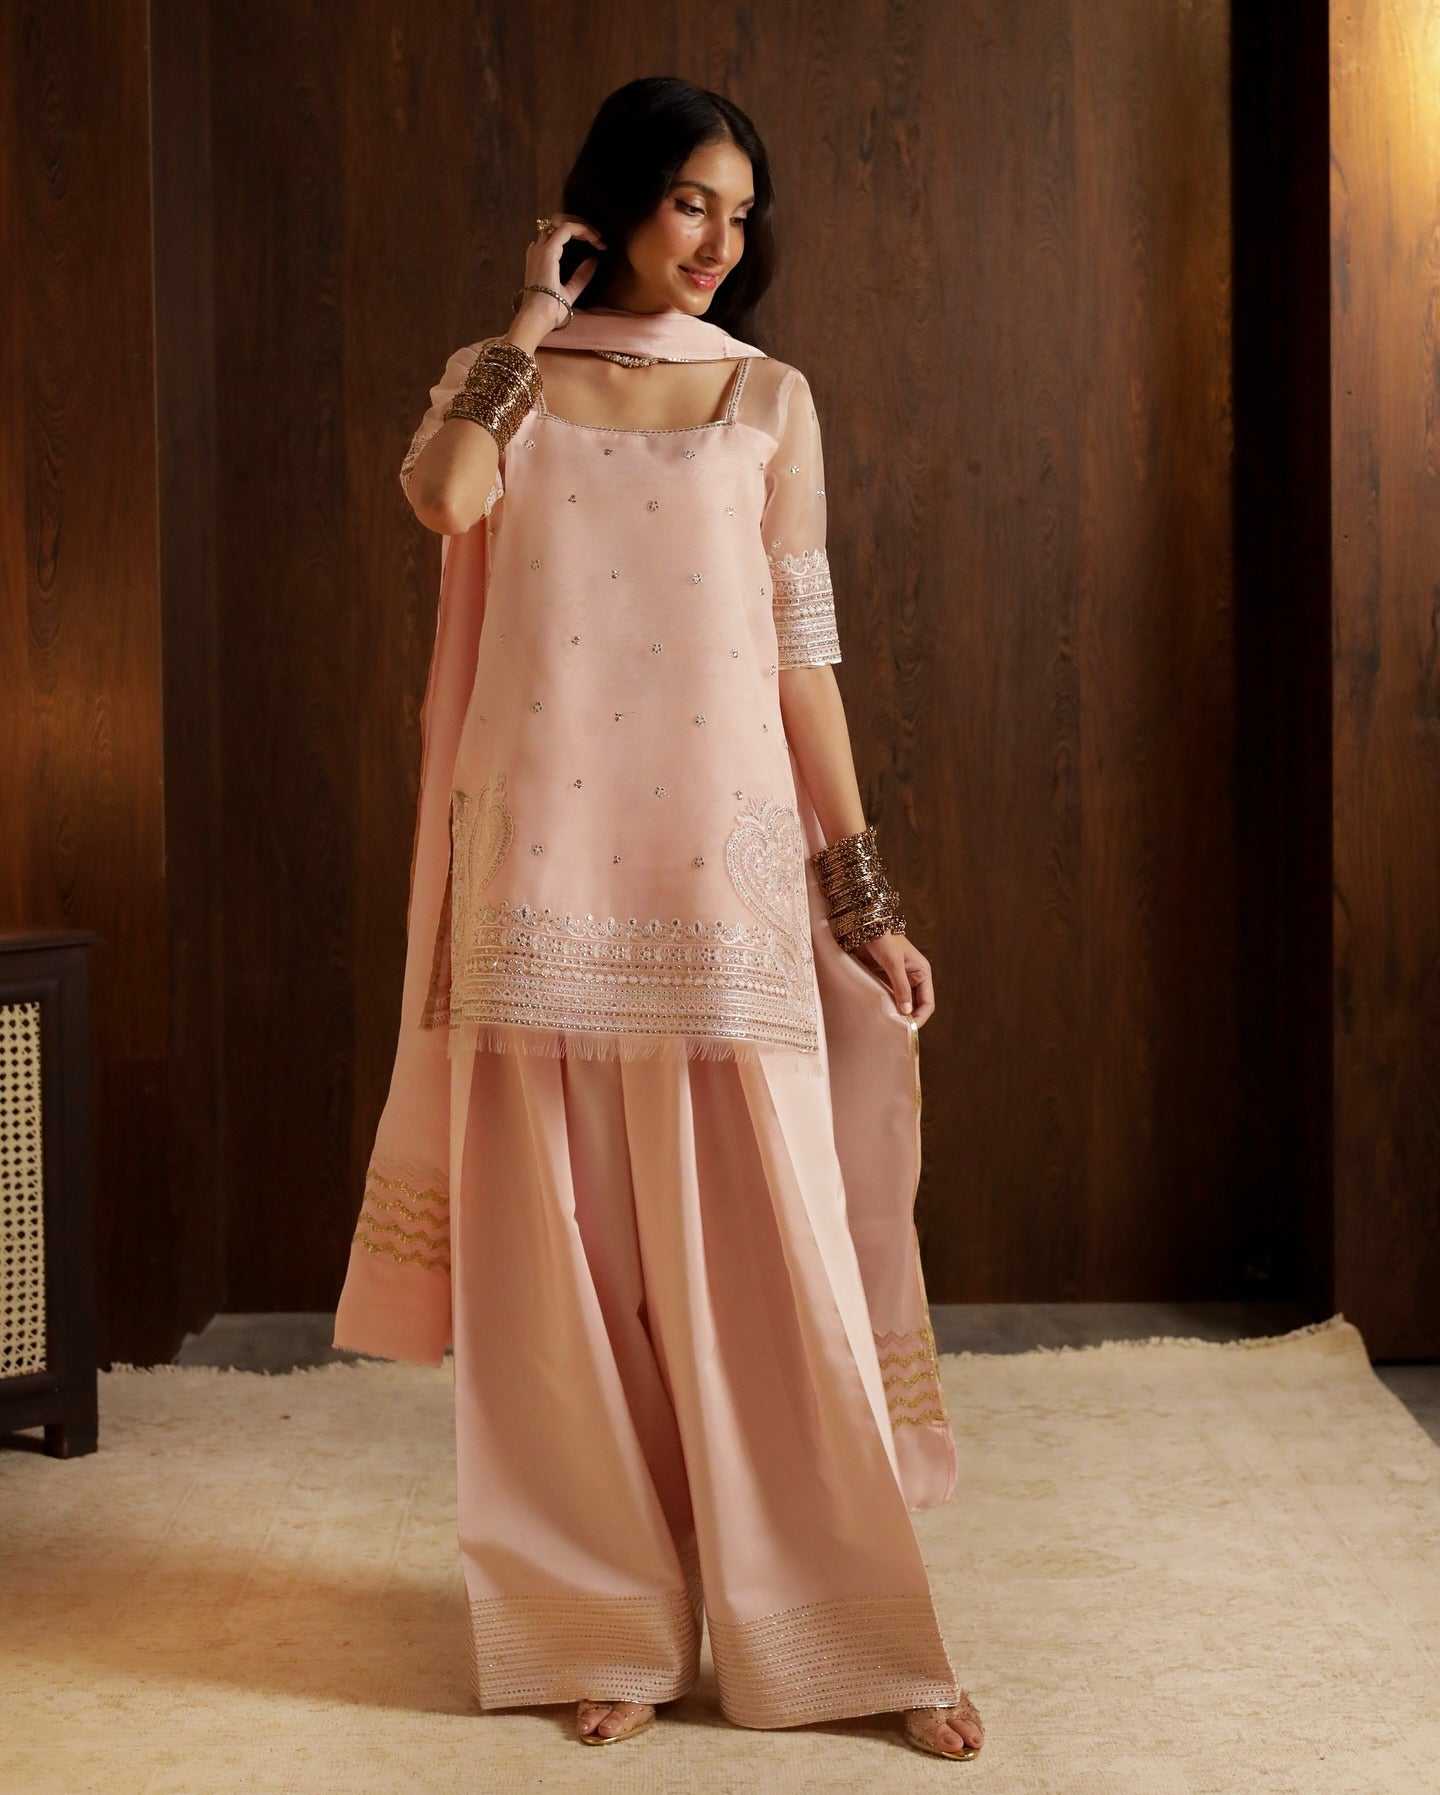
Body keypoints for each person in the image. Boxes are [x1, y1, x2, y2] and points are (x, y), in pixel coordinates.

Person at [332, 76, 985, 1763]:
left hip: (723, 876)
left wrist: (861, 889)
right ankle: (593, 1623)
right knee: (560, 1285)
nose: (722, 241)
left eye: (742, 213)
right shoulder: (512, 388)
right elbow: (443, 498)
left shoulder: (771, 397)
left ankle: (850, 1641)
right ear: (615, 198)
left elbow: (800, 657)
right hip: (536, 870)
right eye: (694, 201)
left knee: (775, 1282)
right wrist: (525, 316)